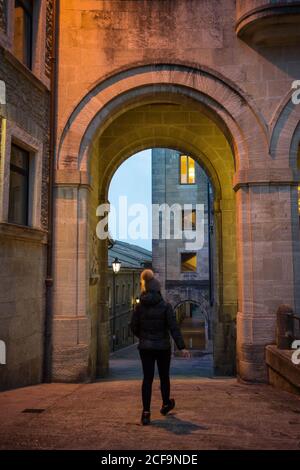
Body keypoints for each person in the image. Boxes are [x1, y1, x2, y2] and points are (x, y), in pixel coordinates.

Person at [130, 269, 190, 425]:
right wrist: (182, 347)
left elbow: (133, 327)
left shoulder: (139, 306)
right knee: (164, 377)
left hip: (146, 347)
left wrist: (143, 337)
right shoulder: (165, 306)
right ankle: (165, 404)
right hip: (163, 347)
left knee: (147, 379)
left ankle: (145, 412)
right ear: (158, 289)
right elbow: (173, 327)